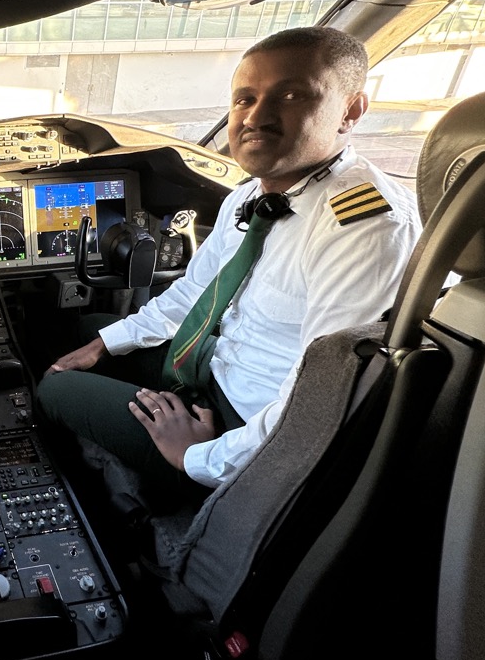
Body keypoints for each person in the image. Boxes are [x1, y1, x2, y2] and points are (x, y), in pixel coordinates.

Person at [37, 27, 421, 510]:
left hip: (254, 434)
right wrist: (104, 344)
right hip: (217, 371)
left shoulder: (362, 229)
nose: (257, 117)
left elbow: (322, 401)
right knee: (88, 329)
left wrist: (197, 455)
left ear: (351, 110)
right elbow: (195, 296)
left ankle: (141, 503)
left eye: (290, 95)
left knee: (56, 386)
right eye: (245, 99)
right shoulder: (252, 194)